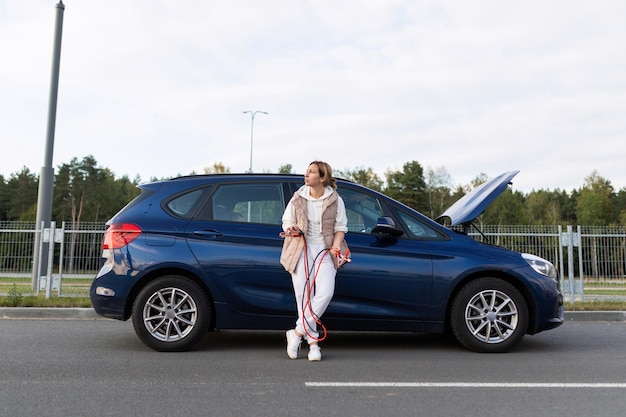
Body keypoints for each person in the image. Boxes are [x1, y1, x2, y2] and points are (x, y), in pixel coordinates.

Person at [280, 161, 349, 361]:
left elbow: (341, 227)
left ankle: (297, 332)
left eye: (311, 172)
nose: (306, 175)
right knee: (303, 297)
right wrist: (292, 228)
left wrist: (335, 247)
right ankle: (313, 345)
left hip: (326, 250)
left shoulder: (335, 199)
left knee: (325, 293)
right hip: (300, 248)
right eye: (307, 171)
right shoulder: (298, 197)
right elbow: (287, 221)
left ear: (322, 178)